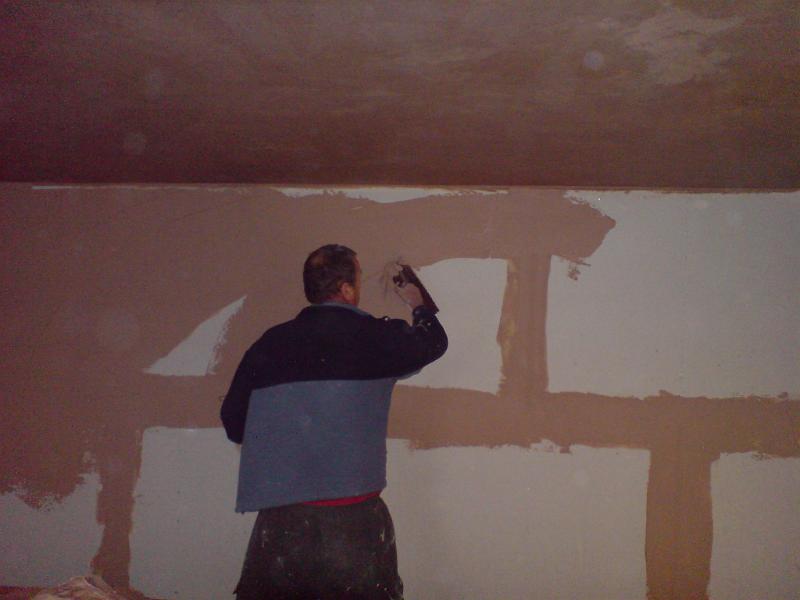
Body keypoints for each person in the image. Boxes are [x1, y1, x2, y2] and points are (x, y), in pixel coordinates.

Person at [221, 244, 447, 599]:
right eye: (358, 278)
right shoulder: (375, 338)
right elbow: (433, 343)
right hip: (353, 523)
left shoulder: (270, 344)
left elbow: (234, 422)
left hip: (282, 524)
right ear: (346, 289)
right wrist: (419, 305)